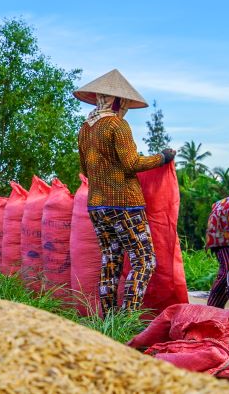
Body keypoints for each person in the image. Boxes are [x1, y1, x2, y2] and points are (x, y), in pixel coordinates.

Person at [75, 69, 176, 314]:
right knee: (144, 260)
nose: (126, 108)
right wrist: (162, 157)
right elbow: (132, 164)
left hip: (97, 205)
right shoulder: (117, 125)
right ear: (116, 100)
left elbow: (85, 168)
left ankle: (109, 319)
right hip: (124, 204)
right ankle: (128, 316)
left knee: (111, 259)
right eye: (125, 103)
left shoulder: (85, 129)